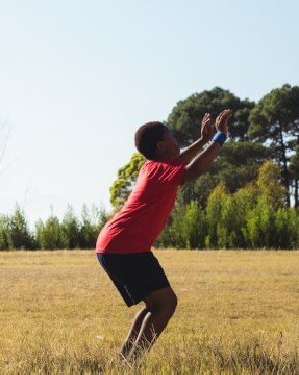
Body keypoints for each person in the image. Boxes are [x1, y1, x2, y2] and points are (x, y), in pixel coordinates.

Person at [96, 109, 233, 362]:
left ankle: (125, 360)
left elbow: (180, 160)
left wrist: (203, 141)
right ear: (161, 146)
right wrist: (220, 137)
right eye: (170, 135)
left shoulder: (153, 166)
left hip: (115, 245)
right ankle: (131, 362)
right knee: (165, 304)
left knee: (156, 304)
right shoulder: (159, 170)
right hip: (125, 246)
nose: (175, 139)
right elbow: (193, 170)